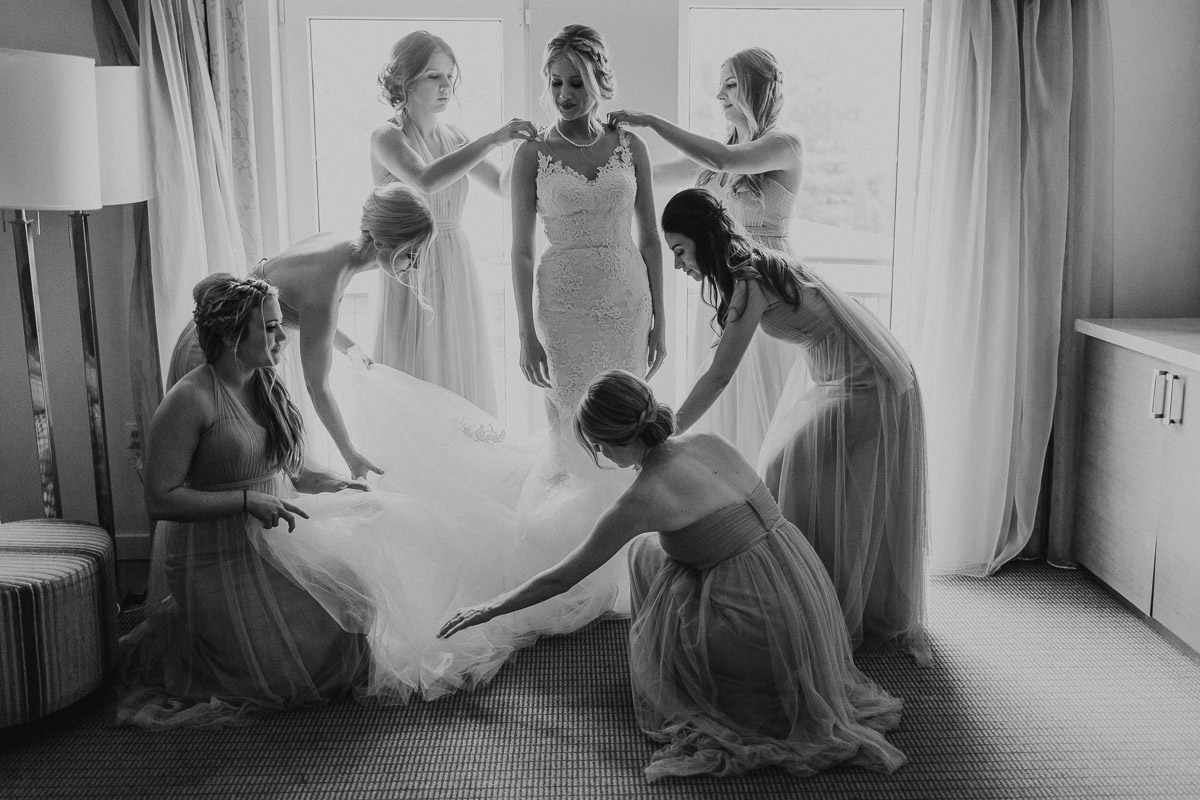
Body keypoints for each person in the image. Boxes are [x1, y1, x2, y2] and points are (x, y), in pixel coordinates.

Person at [440, 370, 906, 781]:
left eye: (597, 446)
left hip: (757, 626)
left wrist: (490, 607)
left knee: (647, 553)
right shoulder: (709, 442)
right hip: (803, 590)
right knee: (649, 551)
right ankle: (741, 662)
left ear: (608, 442)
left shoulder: (640, 499)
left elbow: (561, 577)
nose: (600, 453)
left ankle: (711, 679)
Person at [660, 187, 930, 660]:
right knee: (796, 475)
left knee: (784, 468)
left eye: (680, 251)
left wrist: (669, 430)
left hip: (867, 382)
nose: (679, 265)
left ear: (703, 239)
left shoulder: (751, 279)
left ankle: (813, 607)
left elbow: (720, 374)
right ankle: (813, 600)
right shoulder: (753, 266)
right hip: (844, 379)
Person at [117, 275, 369, 728]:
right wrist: (246, 502)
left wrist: (324, 481)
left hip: (271, 543)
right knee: (286, 676)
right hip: (212, 559)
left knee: (354, 601)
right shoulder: (189, 399)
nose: (281, 340)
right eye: (269, 329)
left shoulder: (265, 383)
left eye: (279, 326)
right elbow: (160, 500)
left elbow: (281, 467)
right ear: (233, 335)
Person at [608, 47, 802, 463]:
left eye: (731, 85)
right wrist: (605, 161)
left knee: (764, 395)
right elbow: (649, 177)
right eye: (720, 87)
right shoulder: (716, 160)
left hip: (767, 277)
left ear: (761, 87)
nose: (721, 96)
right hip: (725, 280)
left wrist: (651, 122)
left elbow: (724, 157)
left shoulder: (784, 144)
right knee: (724, 389)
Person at [166, 183, 436, 480]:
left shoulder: (340, 248)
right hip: (218, 351)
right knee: (219, 471)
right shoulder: (328, 279)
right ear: (385, 242)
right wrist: (351, 456)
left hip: (232, 341)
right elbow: (317, 385)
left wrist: (350, 348)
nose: (416, 264)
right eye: (412, 253)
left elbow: (309, 316)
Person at [370, 31, 539, 415]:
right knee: (417, 366)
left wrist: (525, 149)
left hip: (454, 259)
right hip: (410, 260)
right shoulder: (387, 136)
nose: (446, 85)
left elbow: (501, 185)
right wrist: (494, 138)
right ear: (404, 80)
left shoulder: (456, 137)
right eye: (433, 76)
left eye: (449, 76)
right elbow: (426, 178)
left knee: (455, 359)